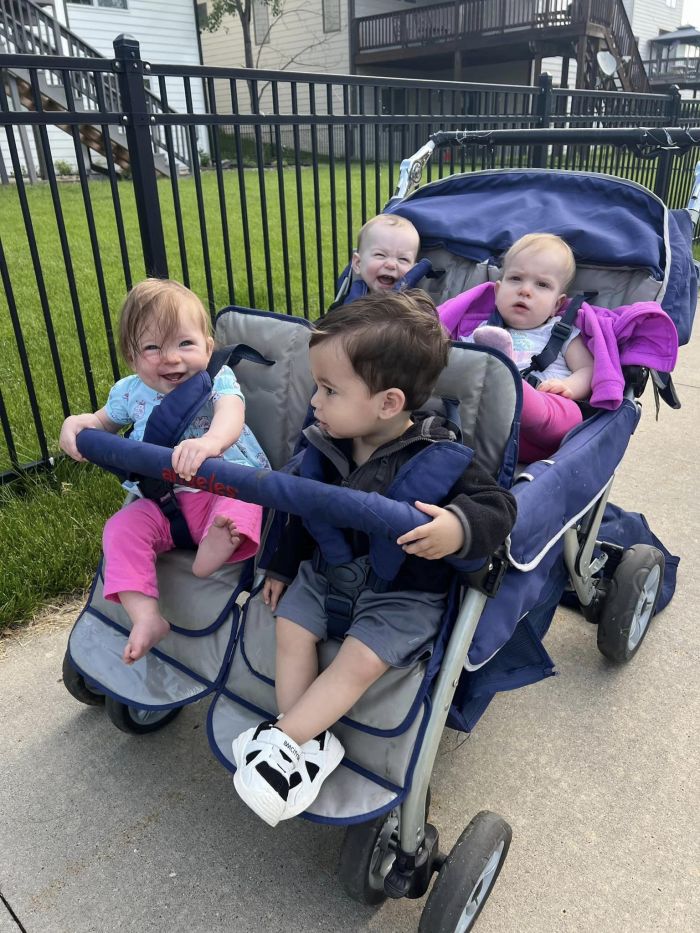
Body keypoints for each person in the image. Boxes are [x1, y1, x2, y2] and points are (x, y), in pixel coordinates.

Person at [231, 290, 517, 827]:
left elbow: (498, 506)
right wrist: (279, 565)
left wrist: (457, 527)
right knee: (290, 626)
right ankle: (302, 740)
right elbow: (299, 506)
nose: (314, 401)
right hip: (326, 575)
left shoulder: (441, 455)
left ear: (387, 403)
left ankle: (280, 741)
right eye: (317, 386)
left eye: (329, 389)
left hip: (403, 592)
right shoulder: (324, 440)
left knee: (359, 660)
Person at [59, 279, 269, 664]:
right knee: (119, 529)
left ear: (208, 347)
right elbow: (101, 422)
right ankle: (146, 617)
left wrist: (209, 444)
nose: (170, 358)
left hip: (218, 485)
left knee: (244, 502)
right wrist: (78, 423)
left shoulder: (216, 379)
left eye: (185, 345)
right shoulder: (128, 392)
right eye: (153, 348)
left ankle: (216, 547)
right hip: (161, 500)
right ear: (132, 357)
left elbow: (231, 414)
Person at [442, 233, 594, 462]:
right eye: (515, 279)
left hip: (542, 420)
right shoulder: (482, 331)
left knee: (570, 415)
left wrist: (567, 386)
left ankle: (517, 387)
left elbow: (589, 370)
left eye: (542, 285)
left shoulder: (562, 333)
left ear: (557, 304)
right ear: (497, 291)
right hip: (487, 425)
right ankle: (506, 376)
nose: (525, 290)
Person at [351, 213, 420, 292]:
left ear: (414, 270)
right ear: (358, 263)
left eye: (403, 259)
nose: (391, 265)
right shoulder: (349, 301)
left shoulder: (417, 302)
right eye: (380, 255)